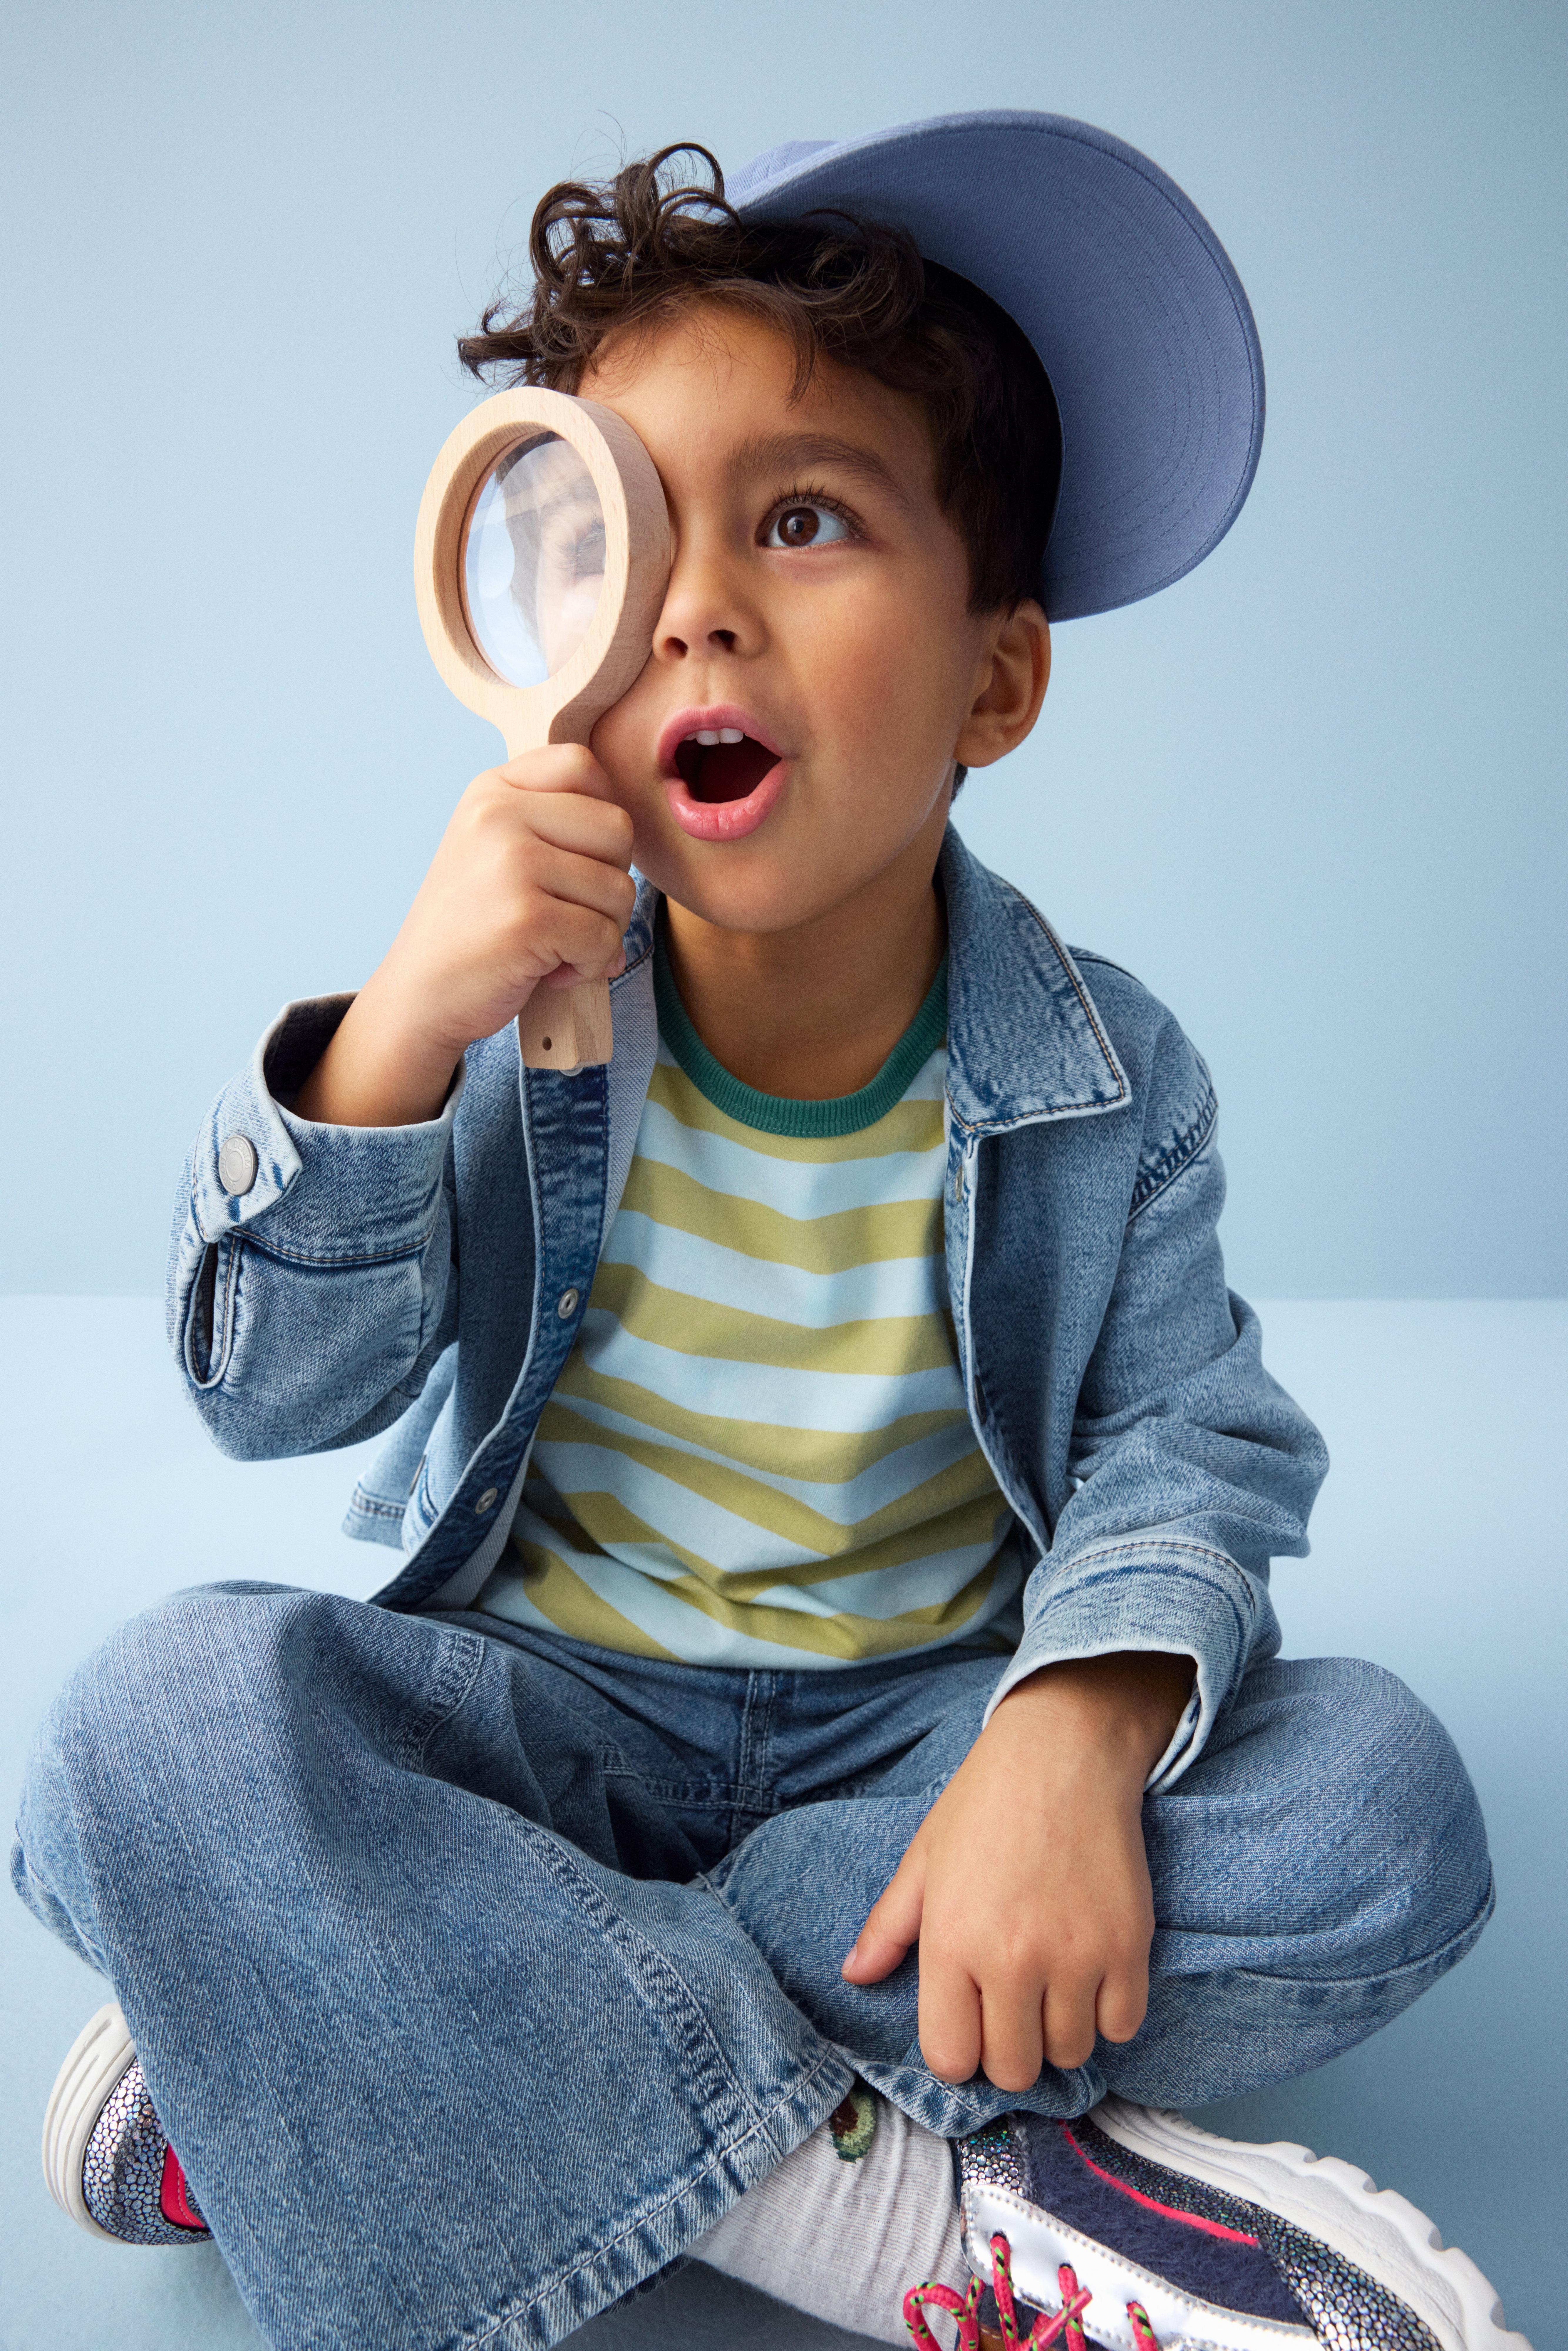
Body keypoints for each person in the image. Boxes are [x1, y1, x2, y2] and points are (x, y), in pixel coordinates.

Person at [16, 113, 1511, 2351]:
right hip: (544, 1717)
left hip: (919, 1769)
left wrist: (1072, 1733)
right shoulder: (507, 1021)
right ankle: (876, 2206)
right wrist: (394, 1036)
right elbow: (266, 1396)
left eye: (801, 519)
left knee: (1380, 1813)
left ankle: (376, 2020)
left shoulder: (1117, 1072)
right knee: (154, 1735)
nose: (697, 603)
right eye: (615, 545)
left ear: (997, 679)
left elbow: (1190, 1443)